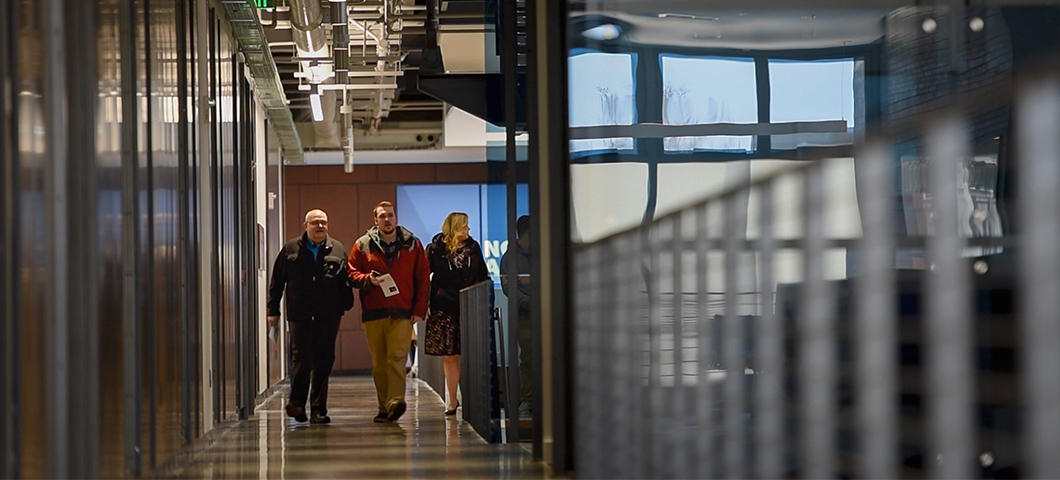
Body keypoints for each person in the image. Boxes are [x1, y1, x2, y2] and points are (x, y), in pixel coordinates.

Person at [267, 209, 354, 424]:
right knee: (302, 360)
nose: (320, 226)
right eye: (315, 222)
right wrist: (273, 310)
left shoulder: (337, 248)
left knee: (324, 361)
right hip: (300, 314)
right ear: (305, 225)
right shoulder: (291, 248)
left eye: (323, 222)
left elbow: (346, 278)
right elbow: (277, 281)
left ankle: (318, 410)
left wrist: (345, 304)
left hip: (328, 315)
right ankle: (297, 404)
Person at [347, 201, 430, 423]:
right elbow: (351, 273)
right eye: (382, 216)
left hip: (403, 313)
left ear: (396, 218)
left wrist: (419, 309)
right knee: (379, 363)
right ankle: (384, 407)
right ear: (376, 220)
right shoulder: (362, 244)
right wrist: (368, 280)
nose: (387, 220)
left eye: (390, 215)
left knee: (397, 357)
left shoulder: (413, 244)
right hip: (374, 313)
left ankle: (395, 402)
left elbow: (423, 278)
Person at [424, 212, 489, 415]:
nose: (468, 229)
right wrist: (425, 302)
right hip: (445, 306)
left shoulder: (473, 247)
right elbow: (423, 276)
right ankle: (452, 400)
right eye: (465, 226)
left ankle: (474, 401)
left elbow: (482, 275)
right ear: (454, 227)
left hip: (470, 306)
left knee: (472, 354)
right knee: (450, 355)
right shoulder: (435, 249)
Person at [500, 215, 532, 419]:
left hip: (543, 313)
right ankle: (529, 400)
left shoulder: (543, 254)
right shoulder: (510, 257)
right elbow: (509, 287)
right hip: (525, 316)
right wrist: (533, 304)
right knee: (528, 357)